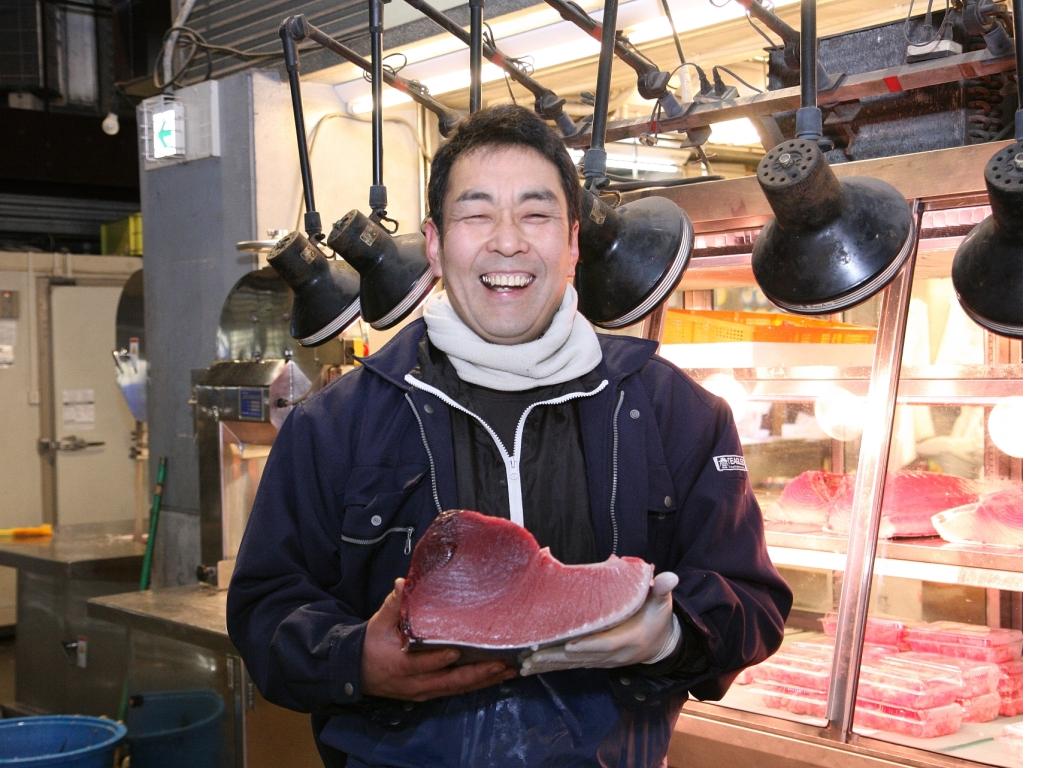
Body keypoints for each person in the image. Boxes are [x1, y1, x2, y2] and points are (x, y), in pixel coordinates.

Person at [227, 104, 792, 768]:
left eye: (536, 214)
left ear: (574, 241)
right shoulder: (337, 422)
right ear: (435, 244)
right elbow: (265, 612)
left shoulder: (677, 412)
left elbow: (755, 607)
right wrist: (357, 662)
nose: (507, 241)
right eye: (476, 215)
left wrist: (670, 633)